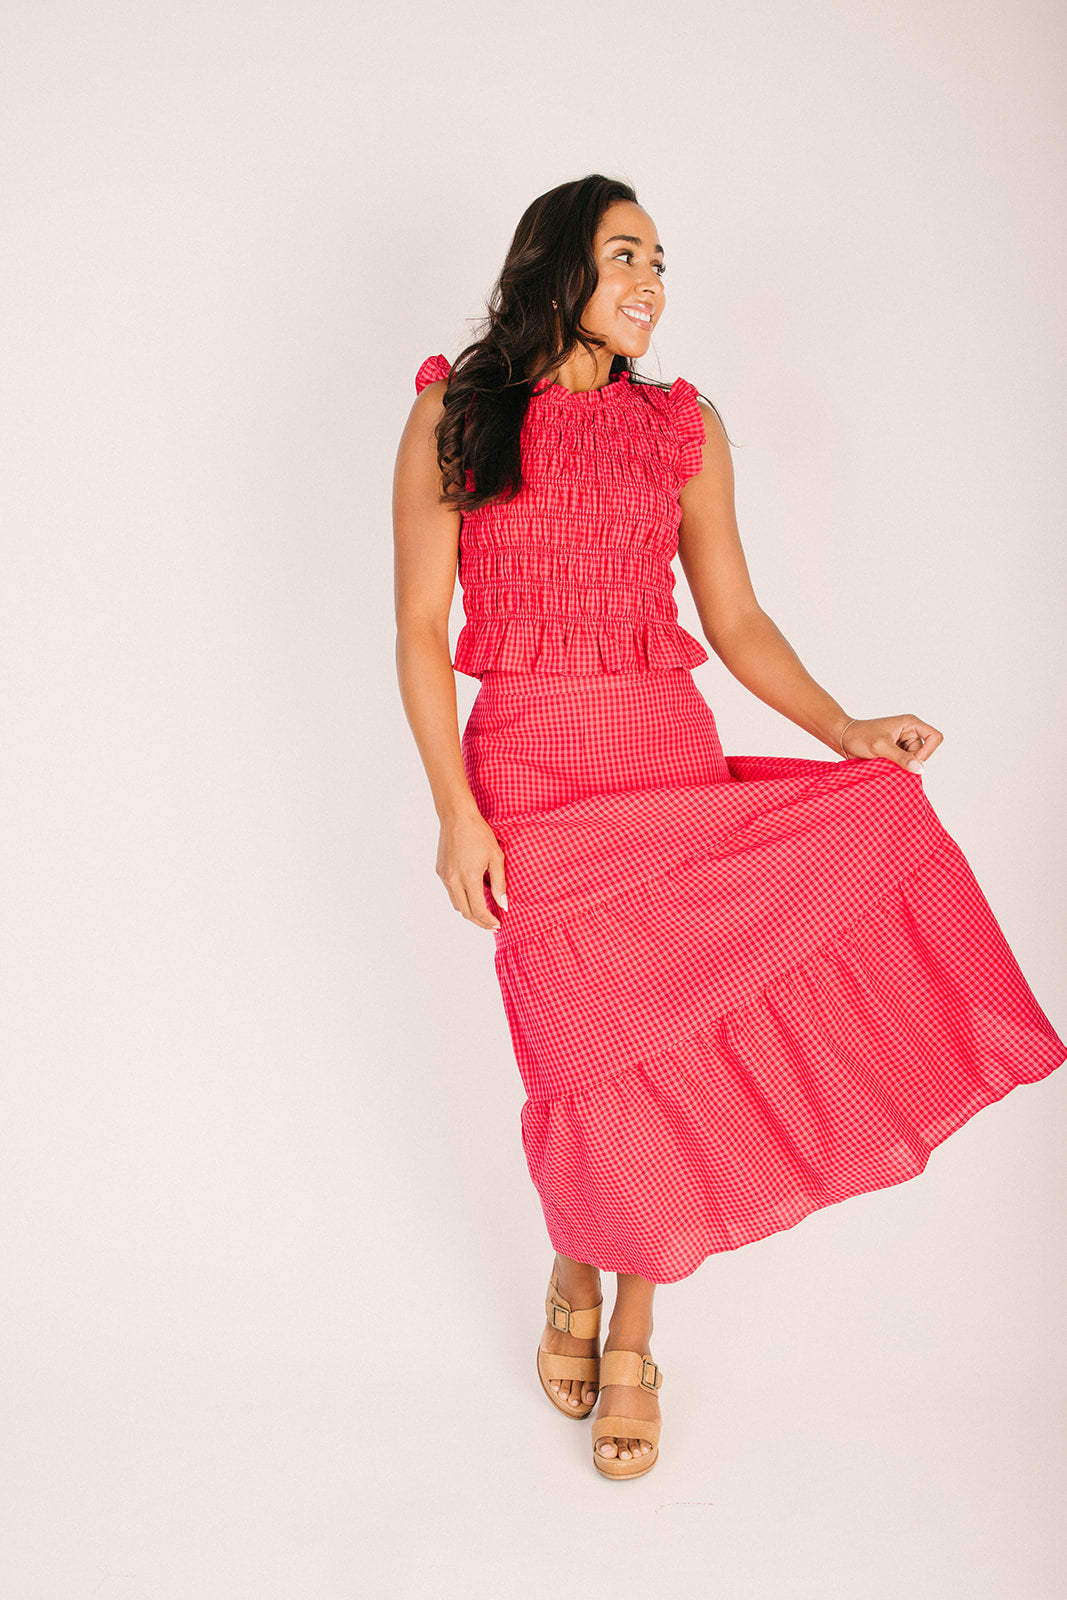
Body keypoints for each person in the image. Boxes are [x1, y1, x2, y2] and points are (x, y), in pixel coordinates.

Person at [392, 174, 1065, 1480]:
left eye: (661, 262)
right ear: (555, 269)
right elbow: (420, 630)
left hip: (666, 763)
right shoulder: (453, 414)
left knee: (671, 1056)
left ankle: (632, 1328)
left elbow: (738, 620)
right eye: (625, 255)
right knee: (584, 1058)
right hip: (529, 779)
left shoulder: (683, 426)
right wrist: (452, 813)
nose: (651, 282)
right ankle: (576, 1258)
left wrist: (846, 727)